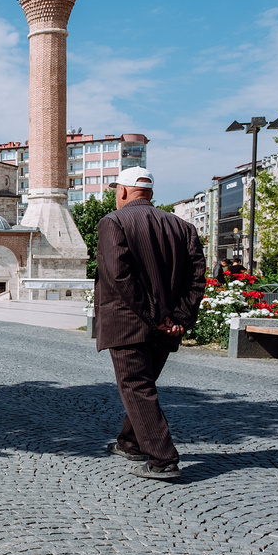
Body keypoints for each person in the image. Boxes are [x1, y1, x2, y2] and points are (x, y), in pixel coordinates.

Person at [95, 167, 206, 480]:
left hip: (129, 324)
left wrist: (158, 319)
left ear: (124, 192)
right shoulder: (183, 227)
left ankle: (163, 459)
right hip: (166, 326)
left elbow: (118, 278)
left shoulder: (113, 222)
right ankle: (130, 442)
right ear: (151, 194)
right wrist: (179, 318)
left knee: (137, 386)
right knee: (143, 384)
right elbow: (196, 278)